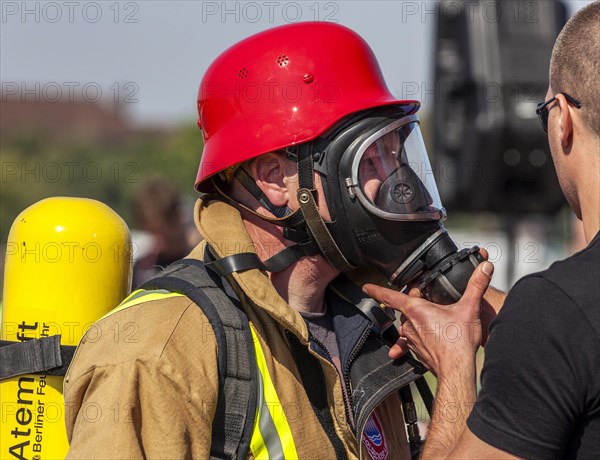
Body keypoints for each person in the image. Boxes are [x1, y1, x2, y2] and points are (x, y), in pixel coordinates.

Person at [63, 22, 488, 459]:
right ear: (275, 181)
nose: (399, 184)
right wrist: (456, 375)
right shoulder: (158, 351)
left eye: (398, 152)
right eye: (369, 158)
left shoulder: (369, 319)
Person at [364, 2, 600, 458]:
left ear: (562, 120)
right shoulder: (554, 316)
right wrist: (516, 319)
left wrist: (454, 366)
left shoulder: (555, 312)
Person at [130, 178, 196, 288]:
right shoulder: (142, 269)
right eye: (151, 233)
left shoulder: (205, 259)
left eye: (160, 233)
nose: (156, 241)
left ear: (177, 217)